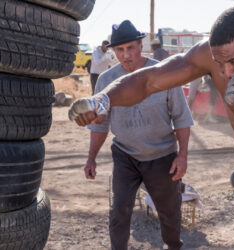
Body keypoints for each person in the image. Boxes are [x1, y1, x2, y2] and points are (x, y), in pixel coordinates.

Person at [69, 7, 234, 250]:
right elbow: (150, 80)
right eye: (220, 64)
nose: (227, 73)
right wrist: (103, 100)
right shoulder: (214, 58)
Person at [81, 20, 193, 250]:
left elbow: (181, 118)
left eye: (130, 48)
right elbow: (101, 125)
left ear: (141, 46)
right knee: (119, 209)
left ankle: (173, 246)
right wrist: (91, 157)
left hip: (162, 156)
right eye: (119, 50)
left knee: (169, 211)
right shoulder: (105, 81)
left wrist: (182, 156)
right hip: (125, 155)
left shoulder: (164, 75)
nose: (126, 55)